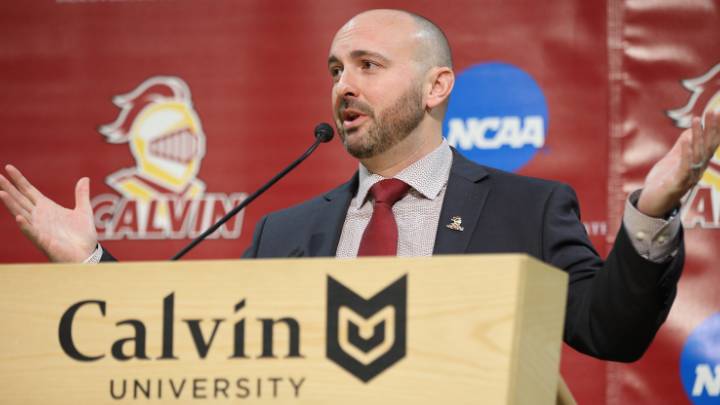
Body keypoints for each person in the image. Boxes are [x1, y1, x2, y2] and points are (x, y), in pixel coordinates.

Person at [0, 10, 718, 362]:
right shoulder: (284, 235)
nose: (344, 84)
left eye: (369, 65)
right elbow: (202, 349)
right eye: (336, 69)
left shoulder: (527, 210)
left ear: (439, 86)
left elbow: (611, 330)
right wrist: (91, 268)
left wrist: (652, 208)